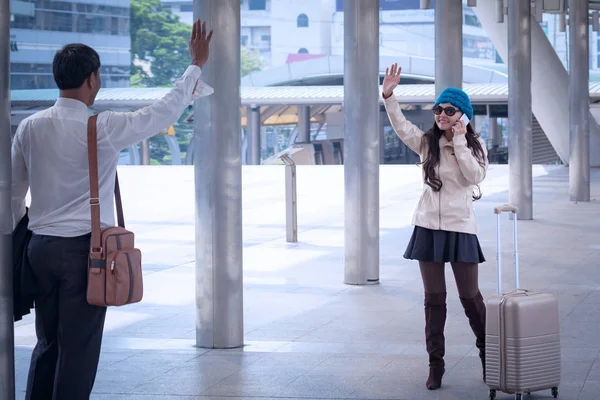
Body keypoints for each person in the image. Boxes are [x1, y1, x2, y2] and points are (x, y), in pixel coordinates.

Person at [11, 18, 214, 400]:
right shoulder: (101, 127)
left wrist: (19, 235)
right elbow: (162, 113)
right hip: (84, 253)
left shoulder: (30, 126)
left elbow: (10, 194)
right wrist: (196, 64)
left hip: (39, 249)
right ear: (91, 79)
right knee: (79, 349)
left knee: (47, 342)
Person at [381, 63, 488, 390]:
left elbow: (475, 176)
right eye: (438, 108)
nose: (441, 113)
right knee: (434, 298)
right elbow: (401, 126)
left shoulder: (473, 147)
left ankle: (490, 353)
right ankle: (436, 365)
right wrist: (389, 95)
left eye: (449, 110)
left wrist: (458, 141)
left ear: (463, 116)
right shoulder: (426, 142)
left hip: (461, 229)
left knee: (470, 297)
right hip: (427, 227)